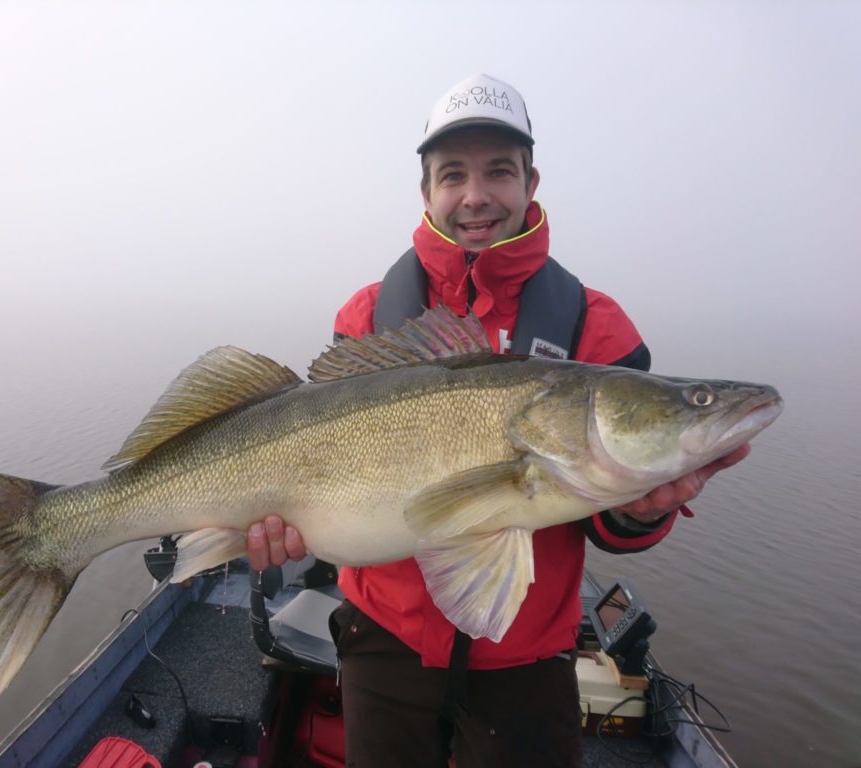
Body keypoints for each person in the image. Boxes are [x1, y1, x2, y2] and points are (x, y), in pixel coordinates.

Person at [246, 73, 750, 768]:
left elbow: (612, 523)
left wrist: (642, 510)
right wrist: (279, 528)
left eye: (499, 172)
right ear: (426, 192)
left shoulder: (598, 328)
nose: (476, 195)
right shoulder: (367, 316)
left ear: (530, 182)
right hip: (383, 641)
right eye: (453, 175)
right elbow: (322, 471)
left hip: (527, 659)